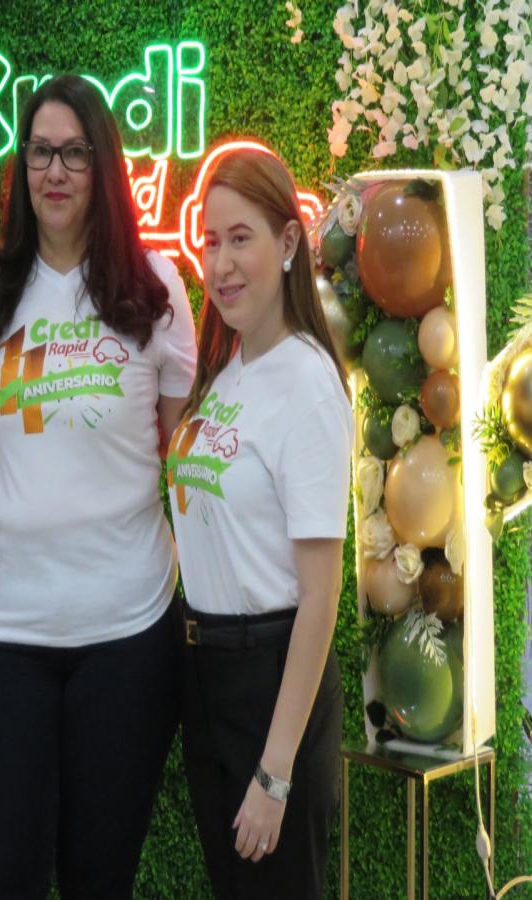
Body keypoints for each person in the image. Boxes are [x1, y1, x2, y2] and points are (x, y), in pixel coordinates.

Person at [0, 74, 198, 899]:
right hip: (6, 634)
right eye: (39, 152)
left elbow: (179, 459)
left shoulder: (157, 293)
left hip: (126, 637)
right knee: (1, 880)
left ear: (103, 167)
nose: (54, 171)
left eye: (74, 153)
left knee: (100, 881)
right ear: (22, 168)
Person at [165, 146, 352, 899]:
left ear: (288, 242)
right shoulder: (230, 371)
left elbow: (320, 595)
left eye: (240, 238)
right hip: (208, 675)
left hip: (271, 682)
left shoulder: (306, 382)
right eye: (210, 242)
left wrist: (275, 775)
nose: (221, 263)